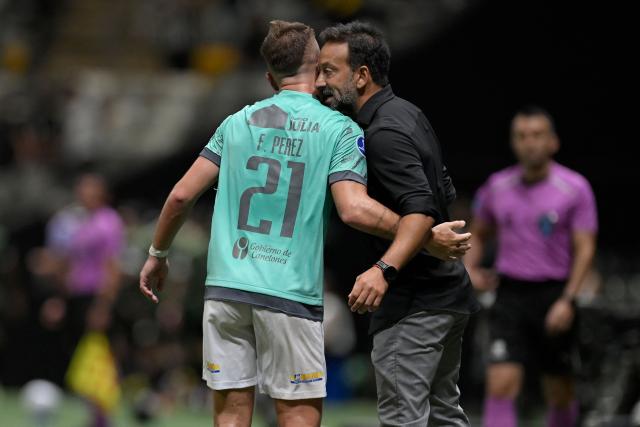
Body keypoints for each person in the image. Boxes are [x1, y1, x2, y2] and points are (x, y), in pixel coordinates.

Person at [138, 20, 465, 427]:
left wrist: (158, 254)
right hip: (289, 293)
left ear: (268, 76)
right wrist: (421, 235)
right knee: (297, 418)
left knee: (231, 418)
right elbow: (354, 209)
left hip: (226, 288)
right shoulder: (338, 128)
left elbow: (181, 196)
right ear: (315, 68)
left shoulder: (235, 123)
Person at [316, 21, 480, 427]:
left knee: (402, 419)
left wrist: (383, 269)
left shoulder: (383, 132)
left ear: (361, 75)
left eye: (329, 71)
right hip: (446, 295)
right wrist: (429, 237)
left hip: (414, 304)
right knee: (444, 414)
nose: (320, 82)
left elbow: (421, 207)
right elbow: (441, 188)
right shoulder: (408, 112)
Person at [464, 105, 598, 427]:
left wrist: (569, 300)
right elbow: (477, 232)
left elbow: (585, 248)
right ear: (513, 142)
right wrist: (469, 269)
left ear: (553, 142)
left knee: (559, 389)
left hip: (555, 295)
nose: (530, 143)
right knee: (500, 382)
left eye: (537, 135)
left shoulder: (575, 188)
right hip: (509, 294)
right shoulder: (497, 186)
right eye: (521, 136)